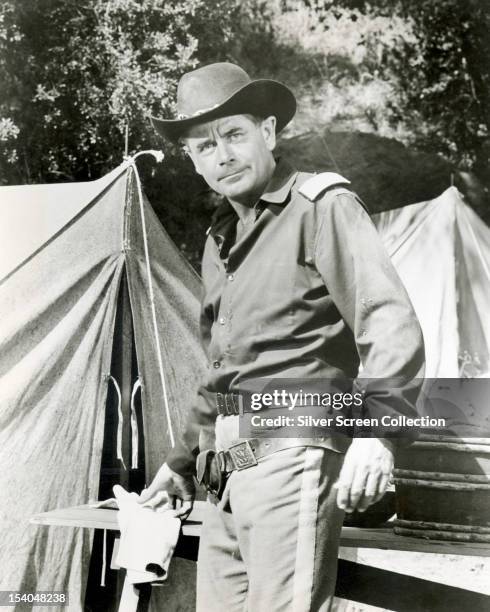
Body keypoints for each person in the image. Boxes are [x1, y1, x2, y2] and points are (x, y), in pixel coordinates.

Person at [139, 62, 425, 611]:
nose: (221, 155)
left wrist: (376, 432)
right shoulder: (221, 237)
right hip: (227, 468)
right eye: (203, 146)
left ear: (268, 133)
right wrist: (179, 464)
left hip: (293, 450)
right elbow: (223, 369)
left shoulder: (321, 206)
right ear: (194, 162)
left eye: (233, 135)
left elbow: (387, 320)